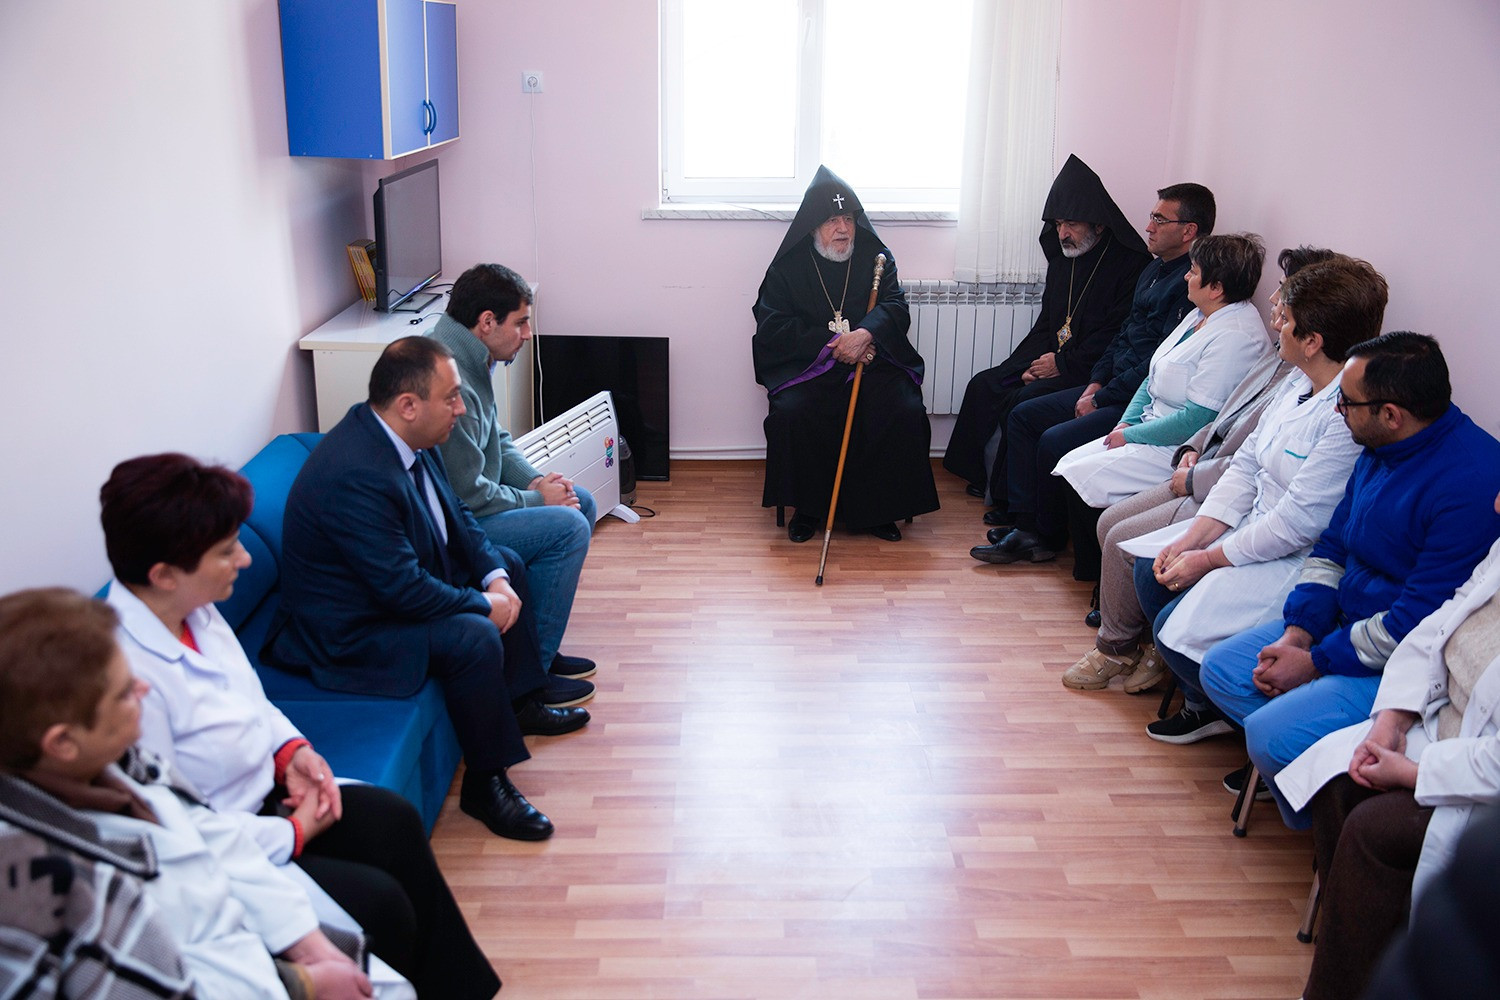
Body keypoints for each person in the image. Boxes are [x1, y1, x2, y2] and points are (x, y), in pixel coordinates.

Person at [101, 452, 501, 998]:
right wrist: (291, 833)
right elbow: (177, 830)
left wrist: (292, 751)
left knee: (393, 820)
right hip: (233, 843)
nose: (244, 558)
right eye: (226, 551)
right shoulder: (126, 683)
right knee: (381, 905)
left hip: (275, 796)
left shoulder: (193, 609)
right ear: (164, 574)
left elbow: (251, 700)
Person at [264, 336, 590, 843]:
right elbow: (403, 591)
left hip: (388, 593)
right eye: (452, 397)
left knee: (506, 562)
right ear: (408, 405)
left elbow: (457, 516)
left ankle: (521, 701)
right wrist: (483, 604)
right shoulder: (356, 475)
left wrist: (494, 578)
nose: (461, 408)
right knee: (473, 636)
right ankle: (486, 784)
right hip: (350, 631)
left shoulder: (407, 435)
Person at [0, 587, 374, 1000]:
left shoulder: (119, 762)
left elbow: (211, 832)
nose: (144, 688)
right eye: (123, 693)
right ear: (63, 743)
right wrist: (303, 984)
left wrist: (308, 945)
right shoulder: (37, 888)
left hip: (247, 947)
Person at [1197, 332, 1500, 826]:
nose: (1336, 409)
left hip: (1395, 659)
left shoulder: (1470, 485)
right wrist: (1299, 633)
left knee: (1270, 737)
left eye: (1346, 401)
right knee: (1221, 670)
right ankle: (1300, 766)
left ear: (1391, 414)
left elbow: (1414, 623)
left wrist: (1316, 662)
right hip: (1340, 625)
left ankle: (1317, 791)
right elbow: (1333, 546)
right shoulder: (1383, 443)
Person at [1125, 259, 1385, 743]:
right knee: (1151, 570)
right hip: (1251, 522)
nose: (1276, 322)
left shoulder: (1343, 417)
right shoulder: (1296, 382)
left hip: (1292, 554)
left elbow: (1297, 524)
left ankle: (1230, 711)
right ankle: (1203, 702)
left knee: (1171, 628)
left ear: (1312, 341)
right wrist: (1193, 537)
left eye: (1286, 319)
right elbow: (1245, 466)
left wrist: (1207, 559)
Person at [1062, 246, 1337, 693]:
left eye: (1284, 293)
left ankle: (1122, 647)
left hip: (1221, 487)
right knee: (1109, 520)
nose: (1273, 300)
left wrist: (1193, 477)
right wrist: (1191, 448)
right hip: (1205, 464)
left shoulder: (1296, 374)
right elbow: (1229, 424)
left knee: (1124, 541)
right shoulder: (1282, 361)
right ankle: (1134, 638)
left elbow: (1250, 462)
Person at [1272, 509, 1500, 1000]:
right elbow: (1435, 629)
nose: (1497, 505)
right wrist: (1392, 720)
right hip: (1436, 724)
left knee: (1372, 830)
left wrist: (1413, 773)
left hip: (1478, 783)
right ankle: (1354, 961)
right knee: (1337, 785)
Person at [981, 233, 1272, 564]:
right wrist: (1126, 421)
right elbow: (1152, 374)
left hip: (1173, 446)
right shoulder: (1199, 315)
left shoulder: (1235, 336)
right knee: (1067, 464)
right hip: (1144, 421)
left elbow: (1197, 420)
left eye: (1193, 271)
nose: (1186, 278)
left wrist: (1130, 434)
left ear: (1216, 287)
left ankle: (1084, 565)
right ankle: (1051, 544)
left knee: (1076, 473)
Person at [979, 183, 1212, 575]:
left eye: (1159, 219)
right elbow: (1122, 336)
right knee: (1023, 414)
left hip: (1134, 401)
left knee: (1052, 437)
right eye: (1151, 217)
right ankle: (1026, 522)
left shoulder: (1188, 287)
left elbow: (1155, 365)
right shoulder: (1152, 270)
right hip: (1111, 386)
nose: (1149, 226)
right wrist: (1095, 383)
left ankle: (1044, 535)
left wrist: (1102, 397)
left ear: (1188, 230)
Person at [943, 154, 1151, 516]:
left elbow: (1114, 334)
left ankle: (1007, 497)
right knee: (985, 384)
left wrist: (1061, 365)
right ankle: (984, 476)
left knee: (1022, 400)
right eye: (1057, 224)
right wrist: (1027, 365)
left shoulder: (1131, 267)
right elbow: (1047, 325)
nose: (1062, 234)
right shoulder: (1063, 261)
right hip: (1055, 358)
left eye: (1071, 224)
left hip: (1088, 368)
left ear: (1099, 224)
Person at [752, 164, 938, 543]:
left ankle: (880, 510)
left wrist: (866, 335)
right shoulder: (788, 267)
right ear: (813, 226)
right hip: (811, 366)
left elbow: (896, 306)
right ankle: (808, 509)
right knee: (793, 413)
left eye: (848, 219)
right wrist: (834, 345)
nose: (843, 229)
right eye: (832, 220)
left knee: (902, 409)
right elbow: (773, 326)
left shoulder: (875, 257)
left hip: (872, 361)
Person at [430, 262, 596, 681]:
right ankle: (531, 675)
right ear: (487, 322)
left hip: (474, 507)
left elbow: (496, 438)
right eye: (520, 323)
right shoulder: (451, 375)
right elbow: (468, 496)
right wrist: (538, 500)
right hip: (456, 528)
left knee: (581, 502)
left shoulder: (471, 355)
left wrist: (536, 481)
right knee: (569, 527)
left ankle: (536, 643)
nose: (527, 334)